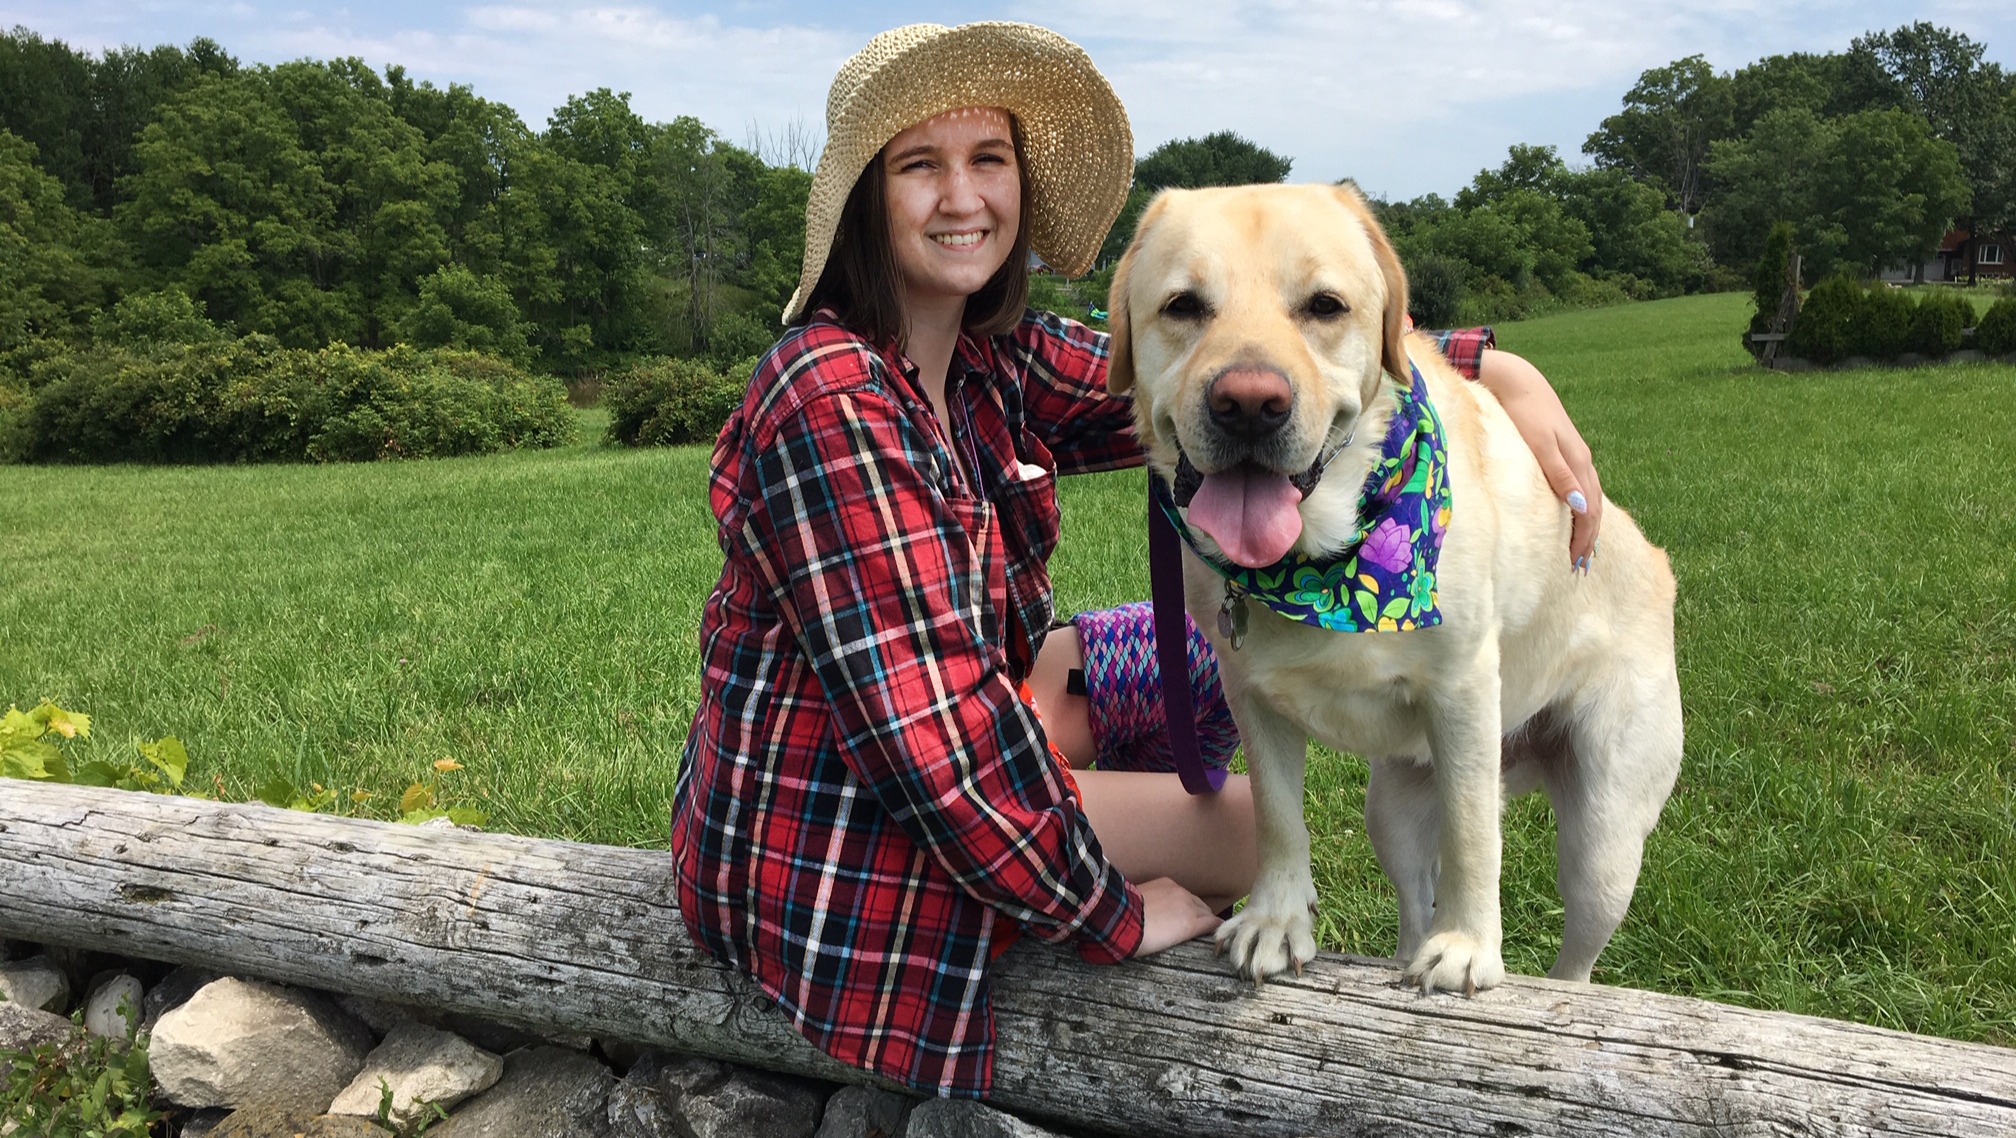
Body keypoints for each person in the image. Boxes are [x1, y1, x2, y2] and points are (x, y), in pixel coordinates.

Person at [669, 21, 1604, 1099]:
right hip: (830, 833)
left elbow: (1226, 365)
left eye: (988, 159)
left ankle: (1071, 792)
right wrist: (1109, 911)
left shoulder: (987, 357)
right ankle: (1052, 862)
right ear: (861, 203)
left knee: (1196, 662)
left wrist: (1495, 367)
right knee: (1244, 829)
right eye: (919, 165)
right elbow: (932, 755)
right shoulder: (829, 399)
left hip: (933, 716)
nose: (963, 196)